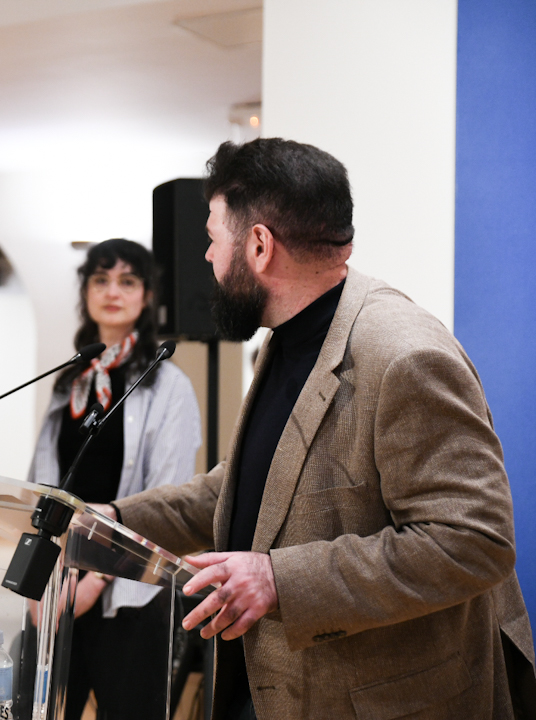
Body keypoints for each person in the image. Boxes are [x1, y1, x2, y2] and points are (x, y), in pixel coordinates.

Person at [99, 138, 536, 719]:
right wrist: (111, 520)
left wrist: (278, 579)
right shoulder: (286, 337)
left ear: (259, 246)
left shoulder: (404, 355)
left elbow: (474, 541)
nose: (207, 256)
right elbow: (248, 490)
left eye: (213, 237)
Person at [27, 238, 201, 719]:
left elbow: (166, 500)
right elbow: (44, 481)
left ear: (147, 296)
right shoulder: (72, 381)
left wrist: (96, 578)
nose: (112, 292)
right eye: (100, 280)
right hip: (58, 580)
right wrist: (41, 577)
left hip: (127, 591)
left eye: (127, 281)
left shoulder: (167, 385)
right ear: (85, 292)